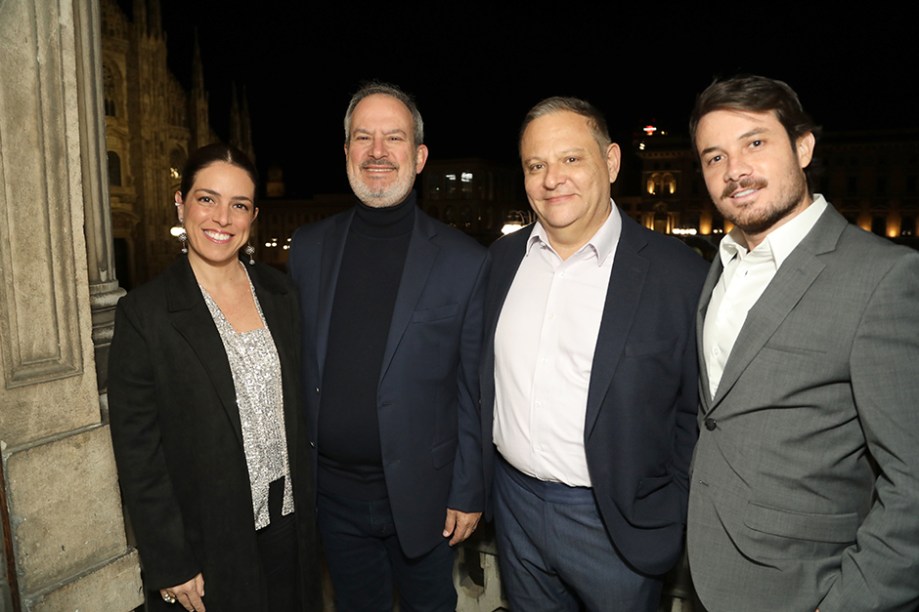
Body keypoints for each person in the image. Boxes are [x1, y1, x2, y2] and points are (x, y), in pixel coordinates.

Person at [687, 75, 919, 612]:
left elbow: (911, 485)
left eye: (755, 143)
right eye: (713, 157)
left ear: (804, 146)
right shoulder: (722, 265)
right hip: (707, 572)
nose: (734, 171)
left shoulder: (885, 278)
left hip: (806, 588)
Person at [479, 96, 708, 611]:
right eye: (536, 165)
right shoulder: (499, 261)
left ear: (611, 162)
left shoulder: (678, 274)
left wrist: (670, 508)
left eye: (571, 159)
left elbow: (696, 412)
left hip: (615, 523)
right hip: (513, 507)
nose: (551, 178)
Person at [288, 82, 488, 611]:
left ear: (419, 157)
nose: (378, 152)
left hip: (426, 497)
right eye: (363, 138)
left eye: (393, 138)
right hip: (331, 498)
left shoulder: (464, 261)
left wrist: (468, 489)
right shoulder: (308, 250)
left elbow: (473, 387)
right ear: (347, 152)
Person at [109, 143, 320, 611]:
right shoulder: (144, 314)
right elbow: (138, 452)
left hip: (291, 524)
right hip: (208, 542)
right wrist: (169, 560)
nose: (222, 218)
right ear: (181, 203)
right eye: (207, 199)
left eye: (238, 205)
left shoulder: (281, 293)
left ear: (253, 215)